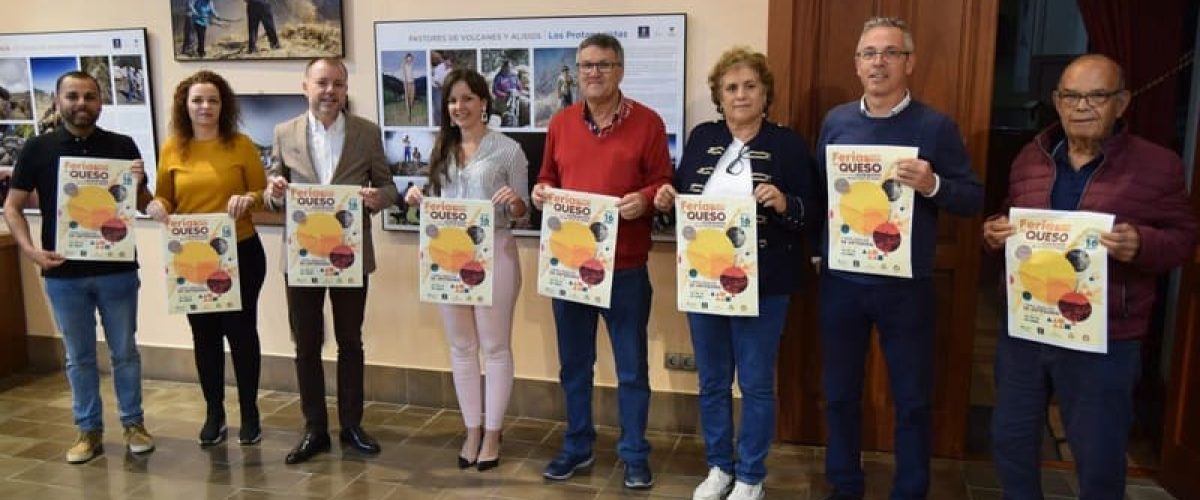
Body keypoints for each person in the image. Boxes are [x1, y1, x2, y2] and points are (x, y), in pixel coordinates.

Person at [983, 54, 1197, 500]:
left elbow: (1182, 239)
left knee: (1098, 455)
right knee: (1011, 441)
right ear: (1058, 102)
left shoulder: (1158, 165)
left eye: (1096, 96)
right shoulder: (1030, 157)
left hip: (1105, 338)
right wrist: (995, 231)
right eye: (1072, 96)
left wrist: (1141, 244)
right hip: (1027, 328)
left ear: (1121, 102)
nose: (1082, 106)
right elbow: (1010, 214)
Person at [815, 17, 983, 500]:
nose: (878, 62)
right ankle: (844, 485)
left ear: (909, 62)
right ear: (857, 64)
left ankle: (910, 490)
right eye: (869, 53)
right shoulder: (837, 121)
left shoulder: (936, 127)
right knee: (841, 393)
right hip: (842, 283)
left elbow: (971, 198)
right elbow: (823, 191)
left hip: (905, 286)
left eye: (890, 53)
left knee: (910, 400)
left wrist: (932, 184)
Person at [653, 47, 814, 500]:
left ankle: (751, 476)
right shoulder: (703, 137)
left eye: (749, 86)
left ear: (766, 94)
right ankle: (720, 467)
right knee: (713, 380)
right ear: (718, 97)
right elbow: (684, 205)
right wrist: (667, 202)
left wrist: (785, 204)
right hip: (704, 282)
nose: (740, 95)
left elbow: (812, 211)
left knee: (757, 382)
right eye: (731, 88)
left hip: (765, 285)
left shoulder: (788, 144)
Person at [532, 33, 672, 490]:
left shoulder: (648, 123)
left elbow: (662, 183)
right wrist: (540, 191)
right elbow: (548, 176)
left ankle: (634, 454)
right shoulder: (562, 122)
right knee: (574, 365)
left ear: (620, 71)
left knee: (631, 368)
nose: (594, 73)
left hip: (625, 267)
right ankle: (577, 445)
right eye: (587, 65)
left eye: (604, 65)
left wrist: (645, 200)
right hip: (570, 266)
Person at [3, 70, 155, 464]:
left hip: (117, 270)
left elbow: (141, 204)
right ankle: (88, 431)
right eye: (73, 96)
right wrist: (32, 252)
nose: (81, 104)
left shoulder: (122, 146)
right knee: (79, 357)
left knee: (125, 352)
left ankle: (133, 424)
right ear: (58, 100)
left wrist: (138, 184)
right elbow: (13, 207)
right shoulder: (37, 148)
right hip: (62, 273)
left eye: (89, 96)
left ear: (100, 101)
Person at [264, 58, 398, 465]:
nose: (330, 91)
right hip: (302, 257)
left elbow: (388, 186)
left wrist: (379, 199)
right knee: (305, 344)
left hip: (349, 255)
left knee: (350, 342)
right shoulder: (283, 132)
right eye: (322, 83)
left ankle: (352, 425)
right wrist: (275, 192)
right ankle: (314, 429)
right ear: (305, 86)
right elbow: (272, 192)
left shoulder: (366, 132)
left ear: (345, 89)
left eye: (338, 84)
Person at [403, 68, 529, 472]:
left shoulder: (508, 150)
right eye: (453, 101)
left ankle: (493, 432)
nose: (460, 107)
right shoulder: (441, 148)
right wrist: (417, 198)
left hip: (496, 253)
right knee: (461, 348)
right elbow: (437, 209)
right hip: (449, 258)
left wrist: (515, 205)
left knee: (495, 348)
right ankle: (471, 429)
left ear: (484, 102)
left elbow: (524, 216)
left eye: (467, 99)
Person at [146, 70, 268, 448]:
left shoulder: (241, 145)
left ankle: (250, 413)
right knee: (204, 336)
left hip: (241, 252)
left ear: (223, 105)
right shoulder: (172, 148)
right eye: (198, 100)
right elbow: (166, 196)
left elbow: (262, 192)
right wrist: (157, 206)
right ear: (186, 105)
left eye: (213, 100)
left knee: (242, 334)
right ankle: (214, 412)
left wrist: (249, 199)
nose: (205, 107)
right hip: (192, 256)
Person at [431, 53, 453, 126]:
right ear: (445, 61)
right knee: (438, 106)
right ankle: (437, 123)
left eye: (451, 62)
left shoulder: (450, 70)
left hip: (443, 88)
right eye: (449, 61)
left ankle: (442, 122)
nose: (450, 63)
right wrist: (444, 88)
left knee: (444, 106)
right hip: (436, 88)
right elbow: (436, 81)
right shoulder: (439, 68)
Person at [402, 53, 416, 121]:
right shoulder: (404, 65)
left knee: (412, 98)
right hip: (407, 83)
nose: (410, 60)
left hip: (412, 83)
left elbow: (413, 58)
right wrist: (405, 85)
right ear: (406, 59)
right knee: (407, 99)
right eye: (408, 59)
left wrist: (410, 56)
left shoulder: (411, 65)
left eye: (410, 59)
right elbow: (404, 75)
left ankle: (410, 107)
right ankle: (409, 116)